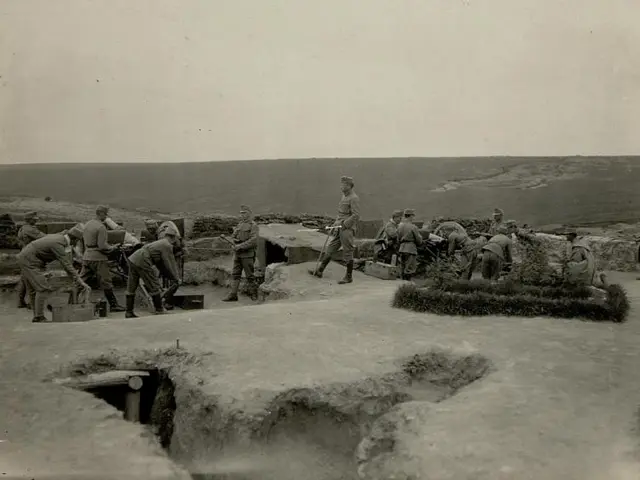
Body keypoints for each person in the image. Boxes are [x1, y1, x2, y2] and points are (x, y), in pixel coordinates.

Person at [17, 225, 90, 323]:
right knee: (43, 288)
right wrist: (80, 281)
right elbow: (66, 264)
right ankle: (39, 317)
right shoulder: (58, 243)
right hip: (30, 262)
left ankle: (37, 316)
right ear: (74, 240)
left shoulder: (60, 237)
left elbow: (67, 261)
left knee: (33, 290)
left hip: (27, 258)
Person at [308, 176, 361, 284]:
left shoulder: (353, 198)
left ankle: (348, 277)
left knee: (348, 252)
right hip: (339, 227)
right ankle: (320, 270)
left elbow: (356, 215)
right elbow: (341, 214)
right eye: (341, 184)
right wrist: (335, 224)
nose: (341, 186)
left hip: (347, 229)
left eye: (343, 184)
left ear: (349, 186)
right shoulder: (344, 197)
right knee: (331, 248)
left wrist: (344, 224)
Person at [125, 230, 181, 318]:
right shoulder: (167, 245)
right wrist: (176, 278)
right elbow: (170, 263)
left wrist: (169, 276)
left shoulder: (159, 242)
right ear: (174, 238)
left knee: (131, 286)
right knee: (153, 284)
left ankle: (129, 311)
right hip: (143, 259)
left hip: (134, 258)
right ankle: (159, 309)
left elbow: (160, 265)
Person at [80, 205, 125, 312]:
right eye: (105, 214)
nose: (106, 216)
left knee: (81, 280)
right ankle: (113, 305)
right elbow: (102, 246)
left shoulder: (88, 224)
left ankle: (71, 302)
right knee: (106, 281)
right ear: (101, 213)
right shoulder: (101, 227)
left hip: (87, 256)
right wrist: (113, 247)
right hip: (98, 258)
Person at [220, 205, 260, 302]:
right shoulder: (239, 225)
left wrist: (240, 246)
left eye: (244, 213)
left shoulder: (253, 225)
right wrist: (232, 243)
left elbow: (253, 241)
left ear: (249, 214)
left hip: (247, 254)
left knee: (250, 275)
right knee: (235, 274)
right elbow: (234, 236)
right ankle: (233, 295)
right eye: (241, 213)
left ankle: (254, 294)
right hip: (238, 254)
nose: (242, 215)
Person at [15, 211, 45, 308]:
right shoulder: (30, 229)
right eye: (35, 218)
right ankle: (32, 304)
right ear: (30, 219)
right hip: (30, 255)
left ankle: (20, 301)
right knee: (31, 279)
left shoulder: (23, 228)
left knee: (24, 279)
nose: (37, 220)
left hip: (24, 253)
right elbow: (43, 237)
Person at [396, 209, 424, 281]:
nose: (413, 218)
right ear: (410, 216)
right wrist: (420, 242)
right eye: (412, 216)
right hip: (410, 249)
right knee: (410, 268)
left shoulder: (400, 226)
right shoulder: (413, 227)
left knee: (402, 267)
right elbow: (418, 240)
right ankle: (407, 285)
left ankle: (402, 284)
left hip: (402, 248)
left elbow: (397, 238)